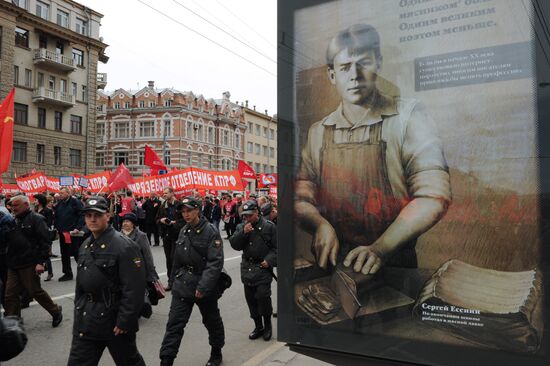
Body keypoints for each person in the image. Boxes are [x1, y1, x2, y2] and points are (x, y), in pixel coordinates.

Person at [295, 23, 451, 273]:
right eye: (345, 67)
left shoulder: (408, 117)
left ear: (378, 63)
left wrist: (381, 248)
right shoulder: (318, 133)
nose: (354, 75)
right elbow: (301, 198)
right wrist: (319, 224)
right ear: (332, 74)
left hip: (394, 266)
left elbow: (433, 196)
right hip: (334, 265)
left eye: (363, 64)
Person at [67, 196, 146, 366]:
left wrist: (125, 320)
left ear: (108, 216)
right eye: (88, 215)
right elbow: (81, 285)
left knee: (129, 361)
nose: (92, 219)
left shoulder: (125, 246)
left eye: (97, 214)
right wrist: (79, 312)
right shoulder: (86, 245)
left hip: (114, 321)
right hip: (87, 320)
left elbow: (134, 288)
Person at [159, 196, 225, 366]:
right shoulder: (184, 230)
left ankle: (216, 352)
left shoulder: (211, 231)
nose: (186, 214)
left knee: (211, 321)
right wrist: (173, 281)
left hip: (204, 286)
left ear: (198, 210)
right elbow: (177, 260)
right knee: (174, 324)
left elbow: (215, 262)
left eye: (189, 210)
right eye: (183, 211)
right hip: (183, 285)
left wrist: (203, 287)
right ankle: (166, 360)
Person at [3, 195, 63, 326]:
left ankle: (55, 311)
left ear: (26, 204)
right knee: (10, 295)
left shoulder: (37, 219)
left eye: (16, 205)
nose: (13, 208)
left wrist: (40, 262)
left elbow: (45, 242)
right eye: (12, 206)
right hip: (14, 263)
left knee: (34, 291)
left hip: (30, 262)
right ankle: (13, 323)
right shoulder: (12, 220)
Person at [230, 200, 277, 341]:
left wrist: (268, 261)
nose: (247, 218)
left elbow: (277, 248)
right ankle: (258, 326)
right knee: (251, 300)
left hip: (262, 268)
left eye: (250, 215)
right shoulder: (242, 226)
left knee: (263, 297)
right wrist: (243, 233)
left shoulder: (269, 227)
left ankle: (267, 326)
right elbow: (235, 244)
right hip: (247, 268)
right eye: (245, 216)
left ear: (257, 212)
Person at [54, 187, 85, 281]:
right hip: (62, 232)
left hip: (72, 233)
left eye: (62, 193)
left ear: (68, 193)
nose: (60, 194)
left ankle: (84, 271)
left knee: (75, 252)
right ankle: (67, 273)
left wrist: (77, 228)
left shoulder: (75, 202)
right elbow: (57, 216)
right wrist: (57, 227)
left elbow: (81, 215)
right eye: (60, 193)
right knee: (64, 253)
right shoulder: (59, 204)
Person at [156, 187, 180, 290]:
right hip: (166, 236)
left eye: (166, 193)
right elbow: (156, 220)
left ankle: (177, 281)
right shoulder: (162, 206)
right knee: (169, 260)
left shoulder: (179, 205)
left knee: (175, 258)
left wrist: (175, 223)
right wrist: (161, 220)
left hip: (178, 236)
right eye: (163, 193)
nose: (164, 194)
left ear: (172, 193)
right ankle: (171, 282)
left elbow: (185, 220)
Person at [34, 194, 54, 281]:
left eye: (36, 200)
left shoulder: (47, 210)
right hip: (36, 235)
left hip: (45, 234)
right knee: (37, 253)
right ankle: (37, 273)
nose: (34, 201)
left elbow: (49, 223)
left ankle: (50, 272)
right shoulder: (35, 209)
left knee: (46, 254)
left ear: (40, 201)